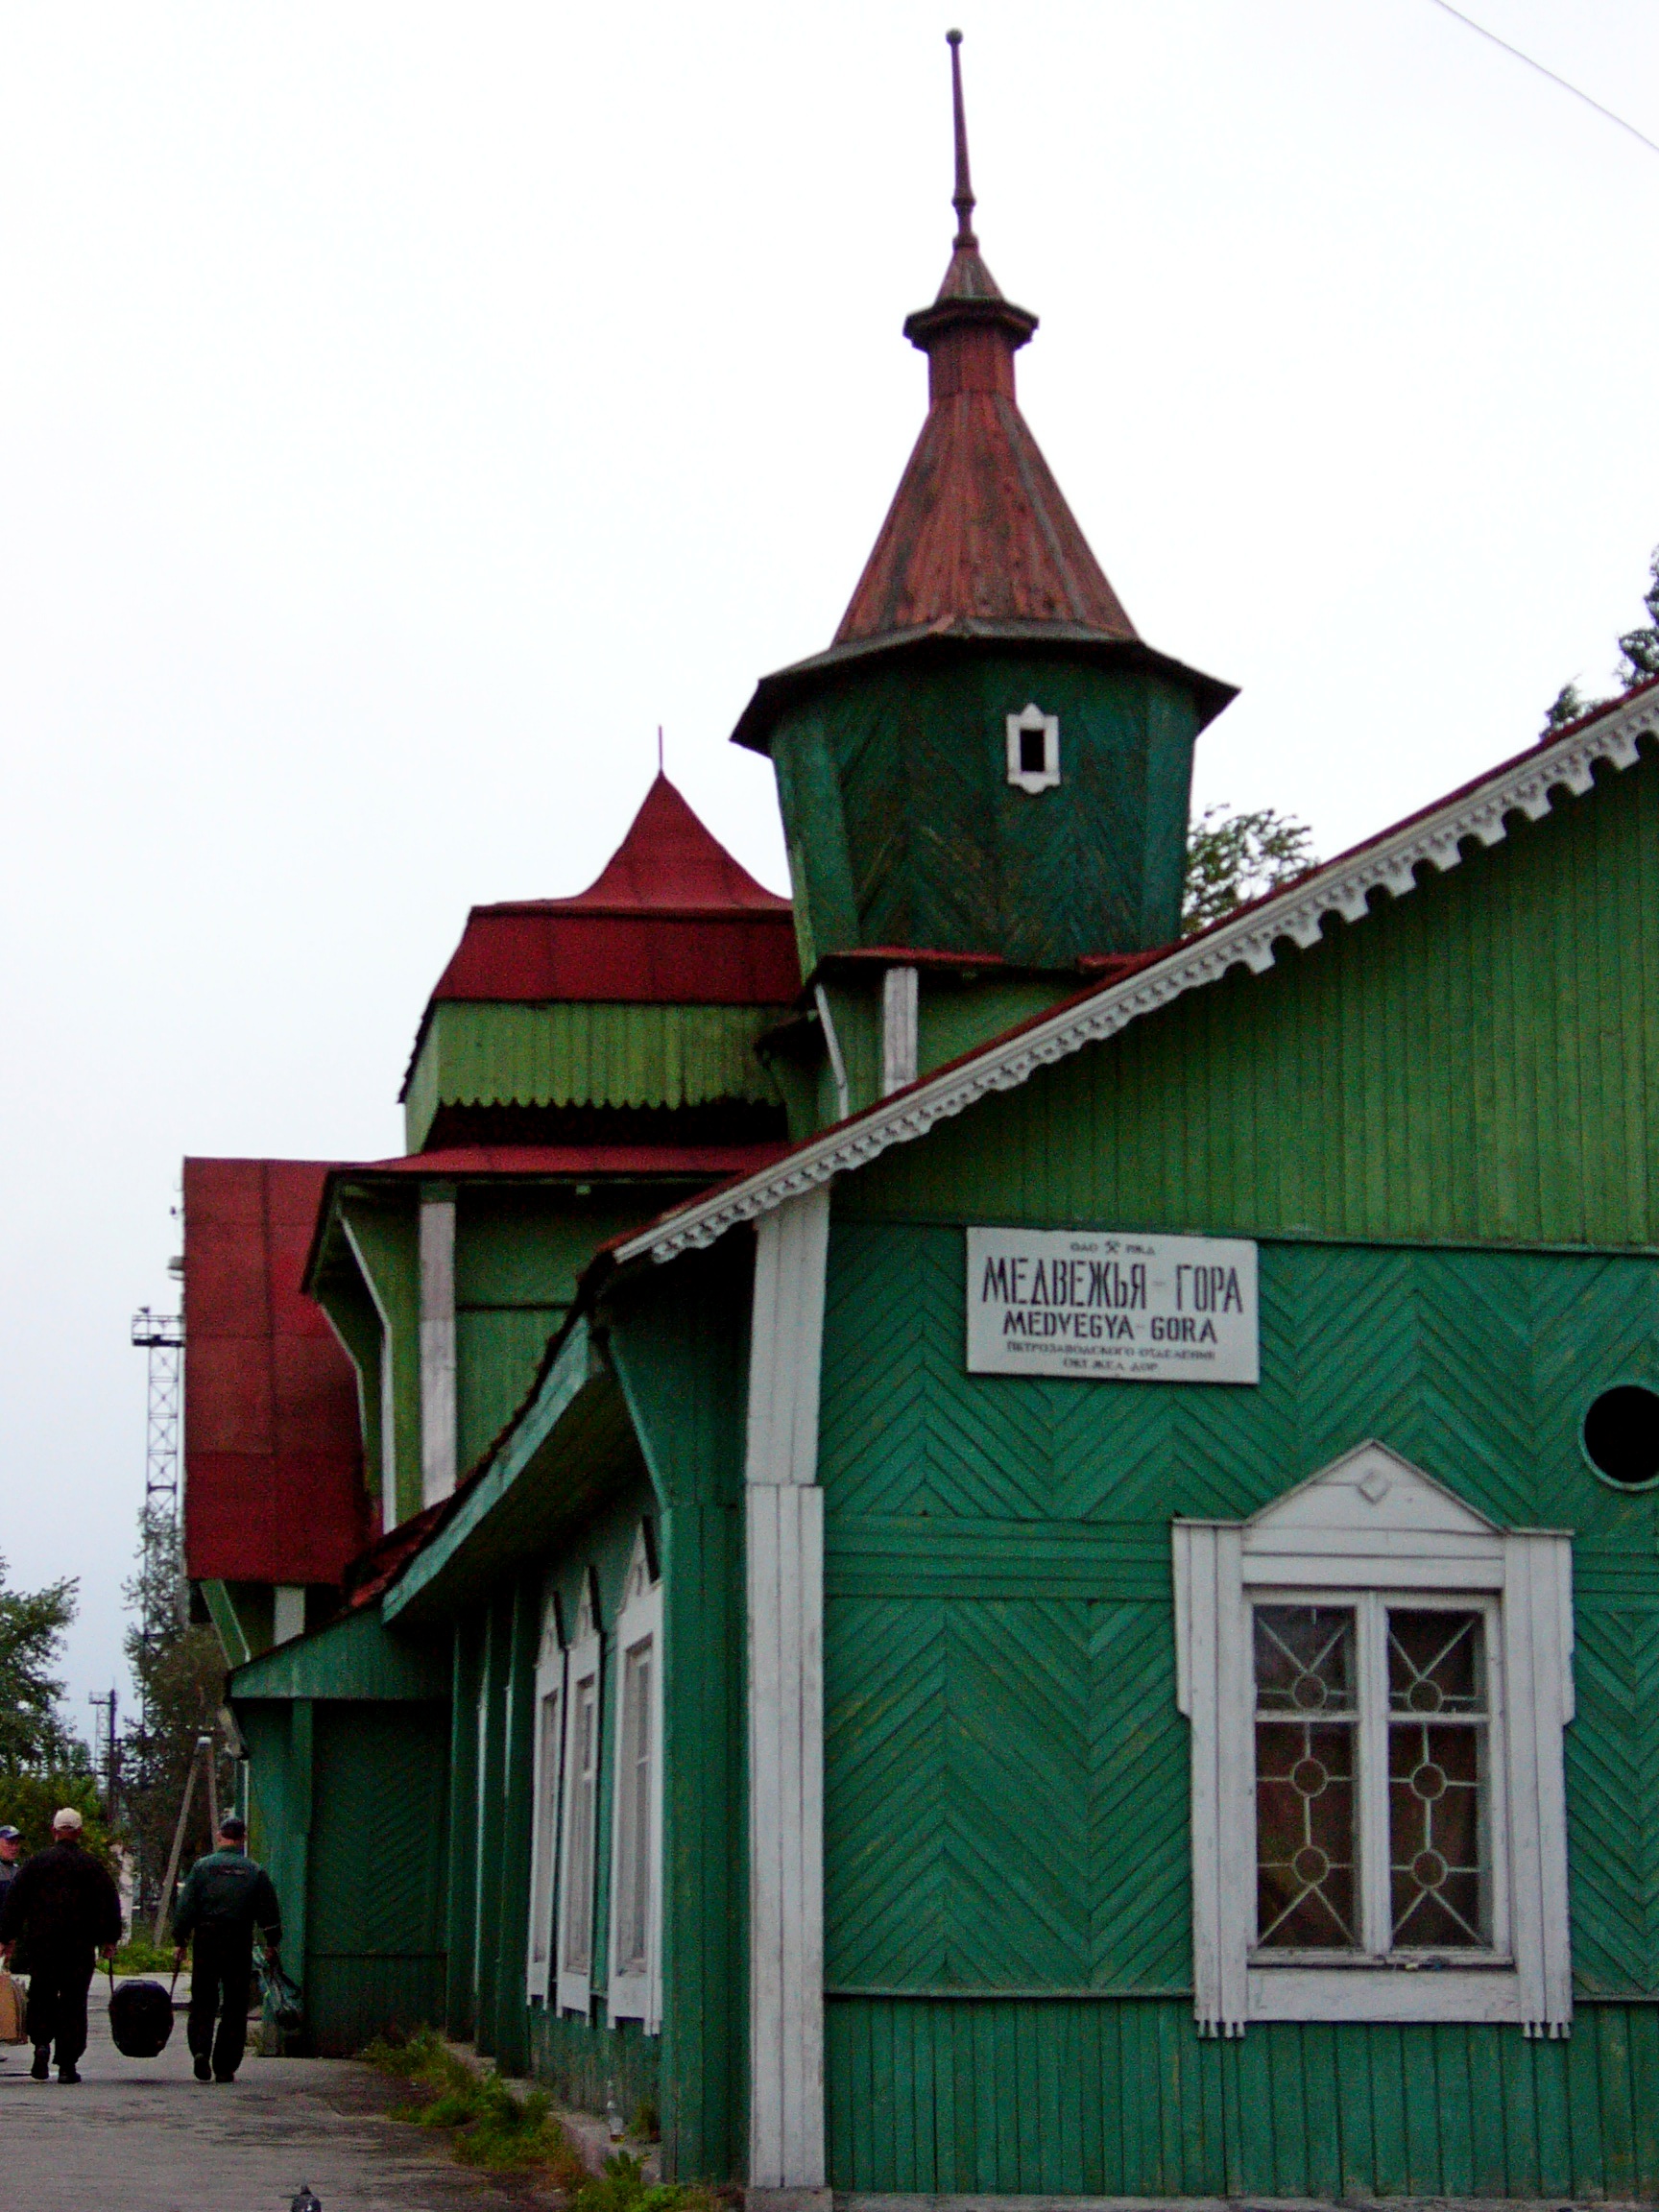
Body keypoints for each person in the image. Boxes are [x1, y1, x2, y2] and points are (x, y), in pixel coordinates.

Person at [0, 1807, 122, 2082]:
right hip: (79, 1947)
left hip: (42, 1945)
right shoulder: (91, 1866)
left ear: (54, 1831)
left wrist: (6, 1937)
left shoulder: (36, 1863)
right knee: (74, 2002)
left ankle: (41, 2046)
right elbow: (109, 1902)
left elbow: (15, 1903)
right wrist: (109, 1939)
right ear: (79, 1833)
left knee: (41, 1995)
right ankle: (67, 2064)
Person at [172, 1814, 282, 2084]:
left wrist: (180, 1940)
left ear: (220, 1836)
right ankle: (224, 2065)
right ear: (243, 1839)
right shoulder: (255, 1871)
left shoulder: (202, 1868)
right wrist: (272, 1942)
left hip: (207, 1939)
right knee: (235, 2003)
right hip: (238, 1939)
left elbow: (186, 1907)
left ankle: (200, 2049)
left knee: (203, 1998)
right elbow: (269, 1911)